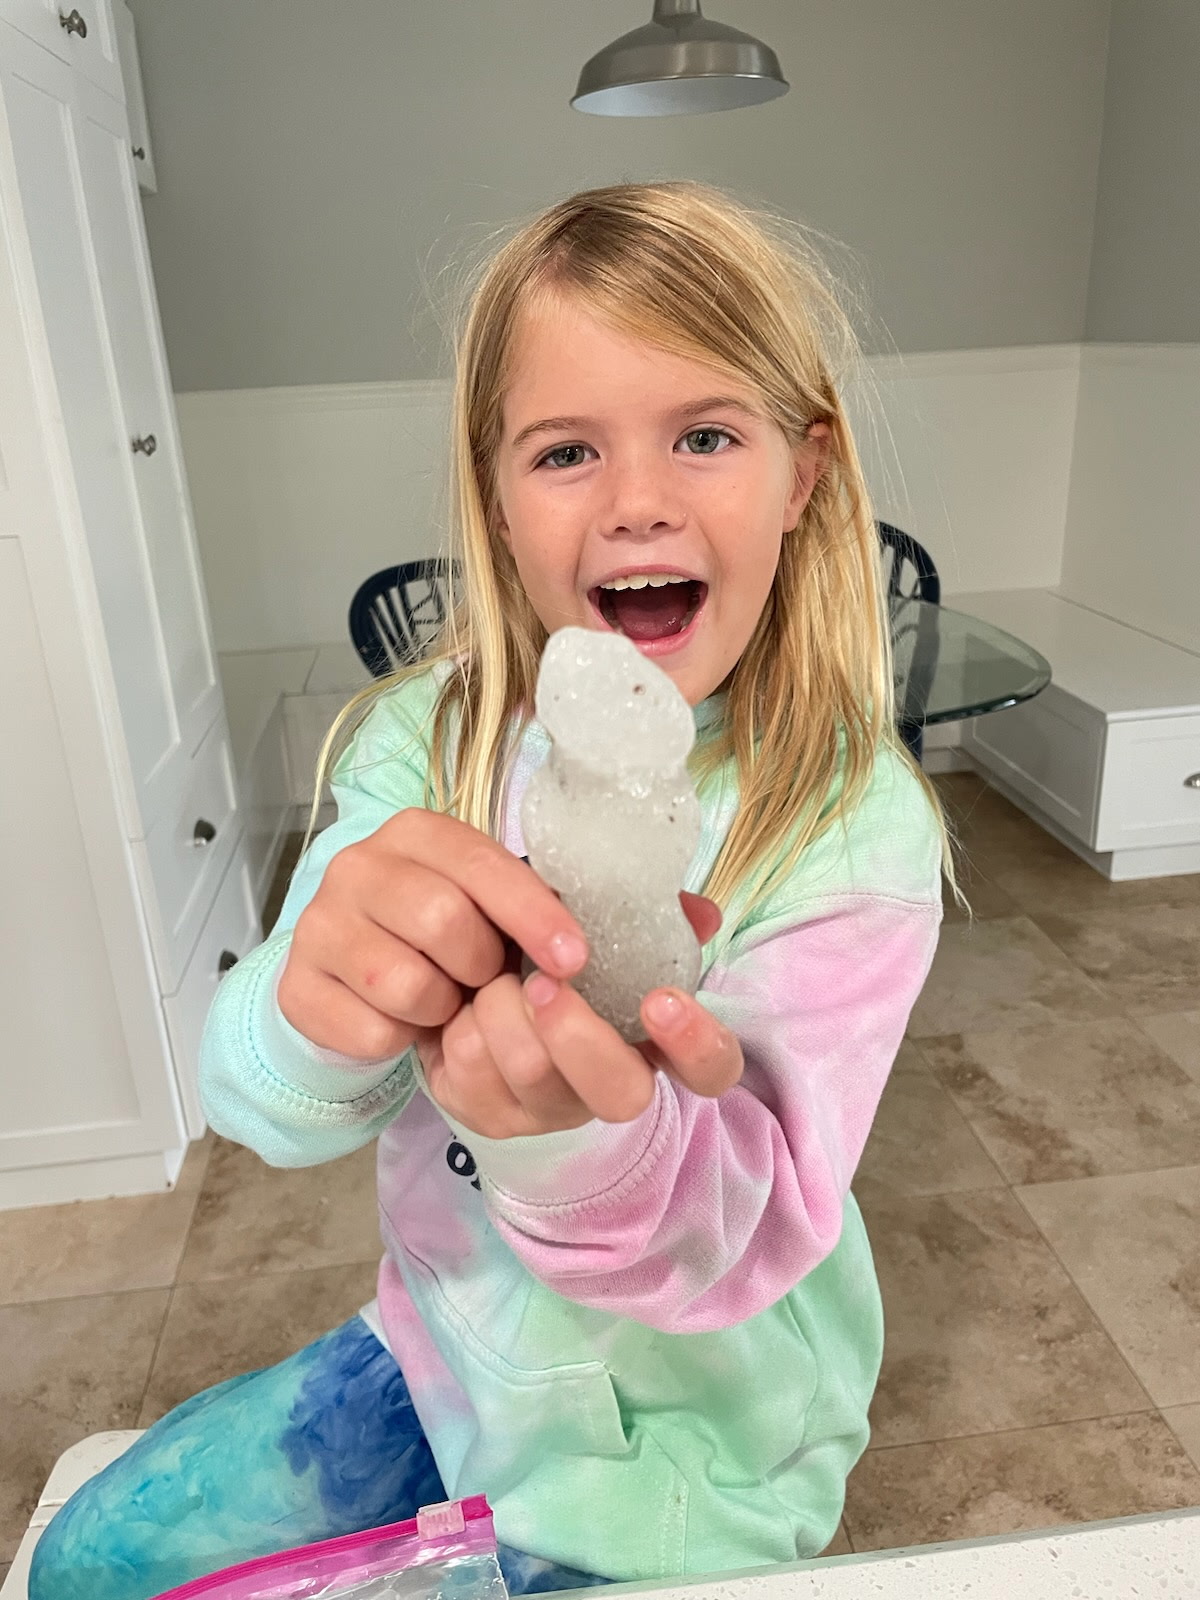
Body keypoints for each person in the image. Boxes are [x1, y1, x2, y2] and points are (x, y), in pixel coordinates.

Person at [31, 181, 948, 1600]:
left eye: (707, 435)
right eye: (566, 450)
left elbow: (750, 1235)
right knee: (92, 1563)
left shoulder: (849, 824)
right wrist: (311, 1014)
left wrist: (580, 1137)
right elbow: (258, 1106)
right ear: (498, 497)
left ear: (804, 472)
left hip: (691, 1459)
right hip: (439, 1354)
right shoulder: (428, 747)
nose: (640, 499)